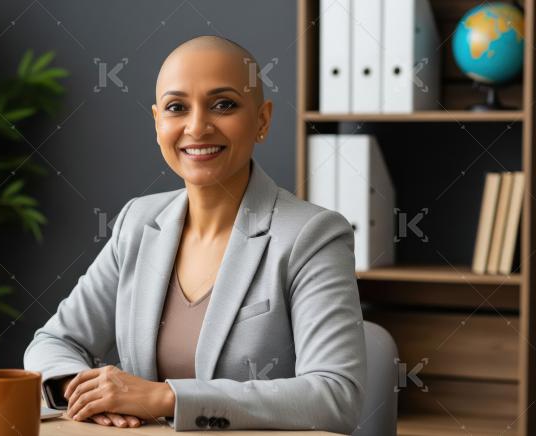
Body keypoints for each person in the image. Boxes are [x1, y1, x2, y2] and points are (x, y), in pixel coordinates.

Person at [24, 35, 366, 433]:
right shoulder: (138, 221)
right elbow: (53, 341)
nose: (197, 126)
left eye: (224, 104)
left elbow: (335, 396)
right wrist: (82, 392)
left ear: (262, 119)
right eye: (176, 108)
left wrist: (166, 397)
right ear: (158, 123)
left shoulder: (312, 236)